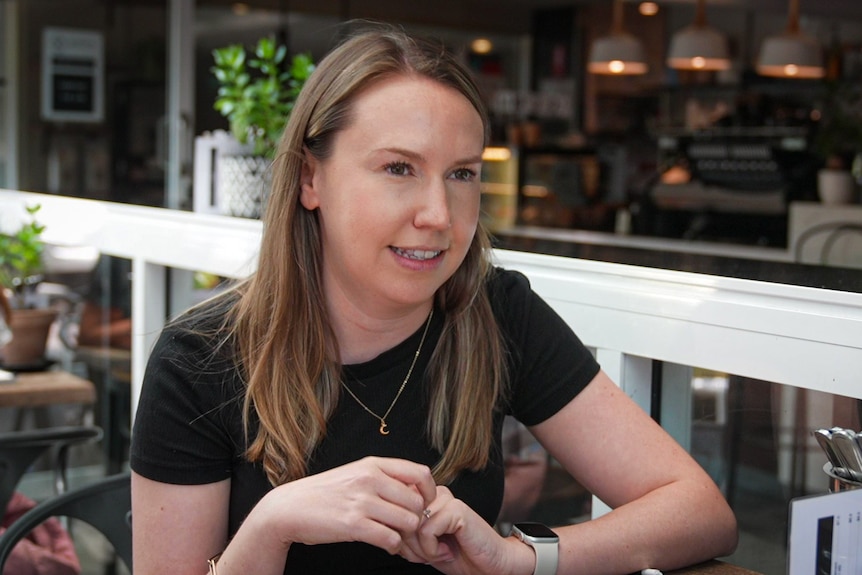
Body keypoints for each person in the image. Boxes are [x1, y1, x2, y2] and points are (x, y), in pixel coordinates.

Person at [130, 24, 737, 575]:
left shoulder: (496, 313)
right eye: (399, 168)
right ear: (311, 179)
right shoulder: (200, 360)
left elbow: (700, 511)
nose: (439, 216)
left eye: (462, 174)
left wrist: (516, 560)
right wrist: (272, 525)